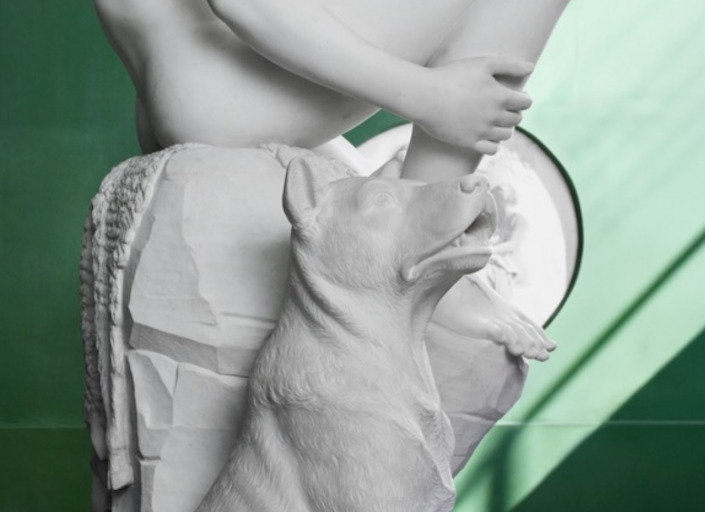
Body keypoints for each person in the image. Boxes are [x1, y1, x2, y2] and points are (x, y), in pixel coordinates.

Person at [92, 0, 567, 357]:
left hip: (202, 74)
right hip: (217, 77)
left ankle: (420, 233)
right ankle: (422, 253)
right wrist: (432, 97)